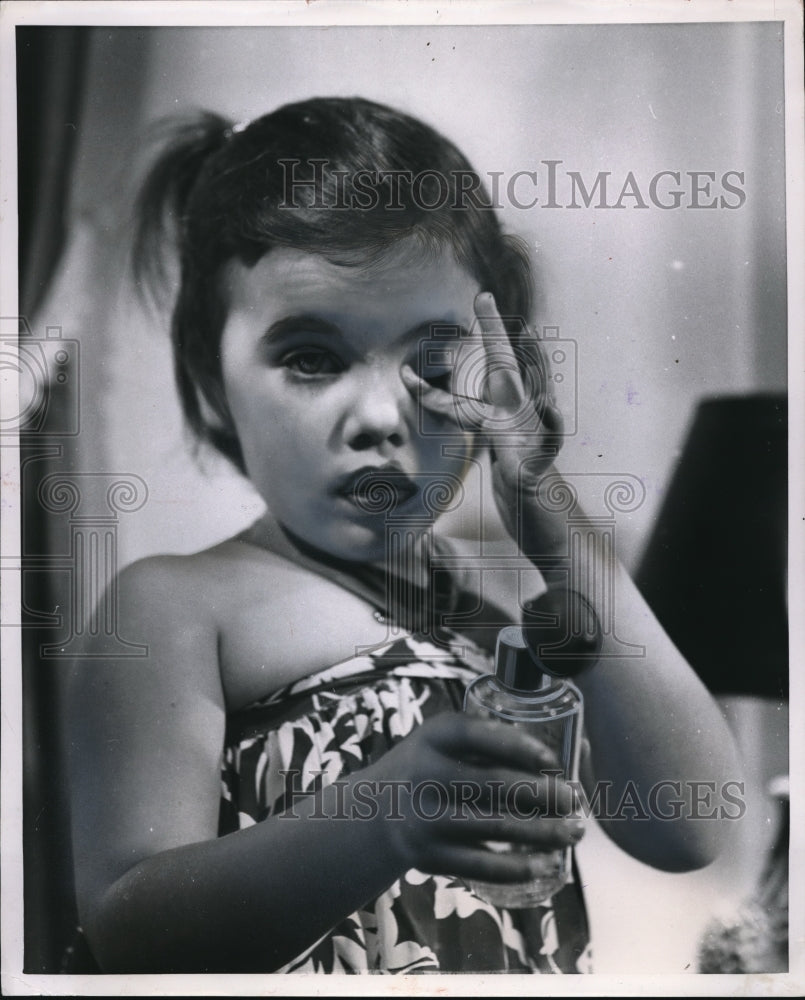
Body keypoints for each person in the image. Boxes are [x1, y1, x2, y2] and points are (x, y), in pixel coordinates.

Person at [65, 96, 742, 975]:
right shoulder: (176, 604)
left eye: (431, 364)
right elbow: (129, 929)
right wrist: (383, 814)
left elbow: (688, 826)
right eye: (312, 357)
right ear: (209, 374)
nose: (381, 416)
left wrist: (550, 520)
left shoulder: (496, 611)